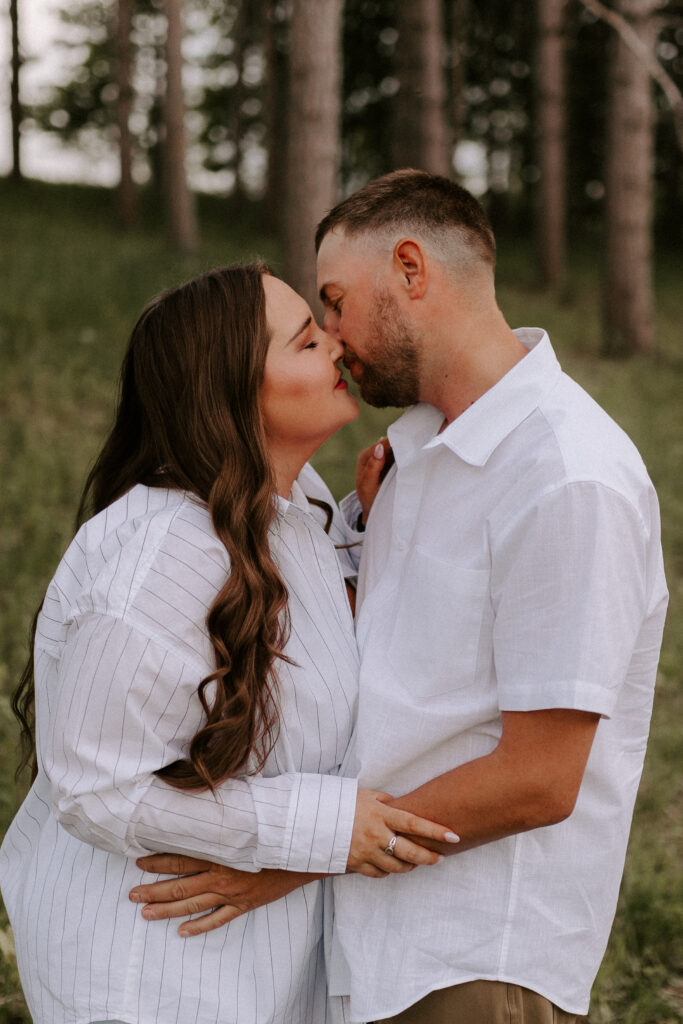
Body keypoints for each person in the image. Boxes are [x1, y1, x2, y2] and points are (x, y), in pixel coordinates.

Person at [130, 172, 668, 1024]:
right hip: (370, 945)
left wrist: (292, 861)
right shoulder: (411, 456)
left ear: (411, 270)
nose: (333, 339)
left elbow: (538, 779)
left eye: (336, 303)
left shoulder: (566, 474)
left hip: (474, 954)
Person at [0, 263, 456, 1024]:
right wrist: (326, 827)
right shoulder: (162, 558)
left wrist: (372, 535)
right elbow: (97, 787)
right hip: (143, 973)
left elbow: (303, 654)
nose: (337, 348)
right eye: (307, 341)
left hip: (248, 968)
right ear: (235, 390)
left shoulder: (295, 509)